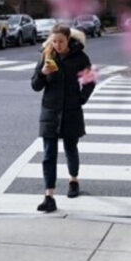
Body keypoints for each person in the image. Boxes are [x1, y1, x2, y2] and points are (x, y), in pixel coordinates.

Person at [31, 23, 95, 212]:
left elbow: (90, 81)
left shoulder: (80, 58)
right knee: (48, 154)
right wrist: (43, 74)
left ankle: (73, 180)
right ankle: (49, 196)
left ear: (68, 40)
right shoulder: (46, 56)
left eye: (61, 41)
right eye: (54, 41)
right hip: (50, 111)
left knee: (70, 148)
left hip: (71, 110)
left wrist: (81, 99)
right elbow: (35, 85)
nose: (57, 44)